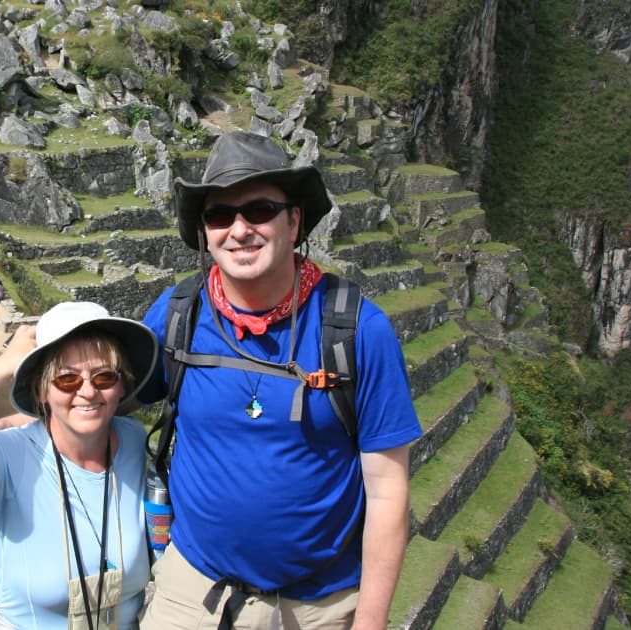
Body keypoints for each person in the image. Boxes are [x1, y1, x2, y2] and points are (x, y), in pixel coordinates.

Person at [136, 131, 423, 629]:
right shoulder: (180, 312)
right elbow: (101, 394)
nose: (240, 229)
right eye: (220, 215)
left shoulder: (357, 329)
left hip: (319, 608)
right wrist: (26, 412)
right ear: (205, 232)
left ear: (294, 221)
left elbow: (387, 490)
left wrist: (370, 623)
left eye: (260, 209)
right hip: (192, 593)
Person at [0, 302, 157, 629]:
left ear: (122, 385)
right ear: (41, 388)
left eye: (104, 376)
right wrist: (7, 362)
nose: (88, 390)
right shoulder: (12, 457)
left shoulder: (133, 440)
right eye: (67, 379)